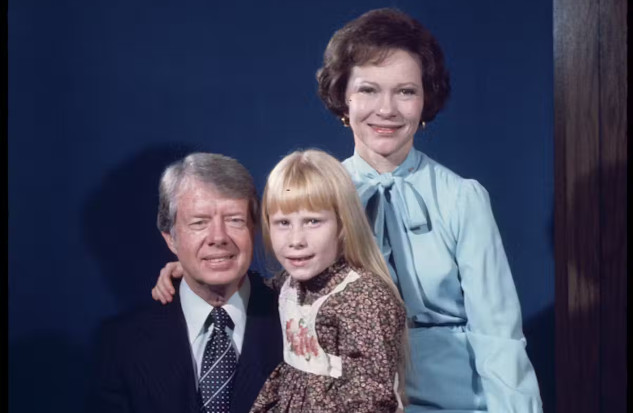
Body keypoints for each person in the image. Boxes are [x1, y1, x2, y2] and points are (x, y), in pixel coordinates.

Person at [153, 8, 543, 413]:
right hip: (348, 397)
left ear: (426, 99)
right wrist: (203, 270)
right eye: (369, 90)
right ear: (344, 97)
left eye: (406, 91)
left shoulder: (462, 198)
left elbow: (499, 336)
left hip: (456, 401)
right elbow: (290, 284)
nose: (387, 109)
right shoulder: (316, 191)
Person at [91, 153, 282, 413]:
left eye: (235, 220)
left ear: (254, 229)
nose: (218, 237)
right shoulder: (121, 343)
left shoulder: (295, 318)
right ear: (171, 238)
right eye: (199, 222)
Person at [250, 149, 407, 412]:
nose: (296, 240)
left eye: (313, 221)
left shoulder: (363, 298)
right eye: (283, 223)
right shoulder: (291, 283)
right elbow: (253, 292)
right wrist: (191, 273)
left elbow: (370, 399)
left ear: (343, 225)